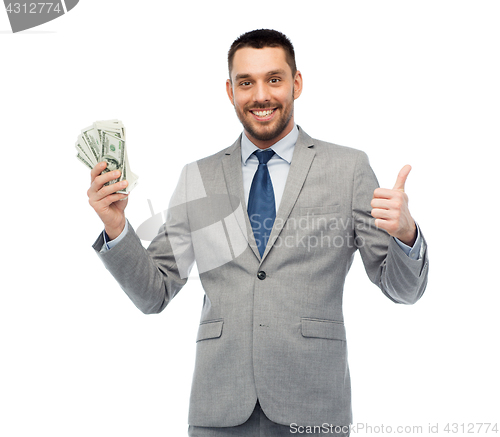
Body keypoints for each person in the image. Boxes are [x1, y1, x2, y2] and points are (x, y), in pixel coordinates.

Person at [87, 29, 429, 437]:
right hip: (220, 408)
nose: (260, 95)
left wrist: (406, 234)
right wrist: (116, 226)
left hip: (313, 404)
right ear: (230, 91)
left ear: (296, 83)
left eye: (274, 79)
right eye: (245, 82)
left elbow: (402, 289)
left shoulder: (348, 169)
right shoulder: (200, 176)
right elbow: (153, 293)